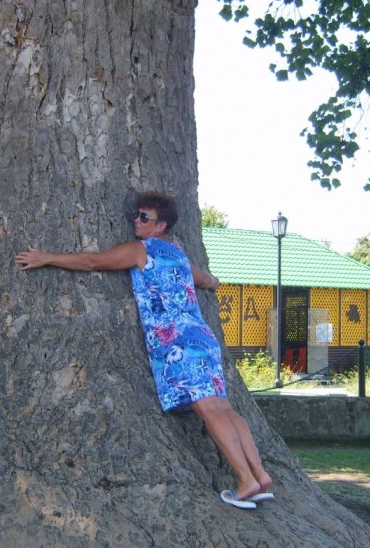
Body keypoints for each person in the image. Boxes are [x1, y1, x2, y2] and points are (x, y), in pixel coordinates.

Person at [15, 192, 273, 510]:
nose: (137, 222)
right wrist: (214, 282)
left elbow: (92, 262)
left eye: (144, 218)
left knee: (210, 411)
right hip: (202, 338)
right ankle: (259, 474)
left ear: (160, 225)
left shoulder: (142, 251)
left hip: (179, 343)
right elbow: (205, 279)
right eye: (137, 216)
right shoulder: (178, 255)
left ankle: (246, 481)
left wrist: (46, 257)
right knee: (224, 407)